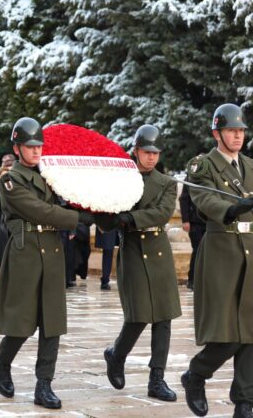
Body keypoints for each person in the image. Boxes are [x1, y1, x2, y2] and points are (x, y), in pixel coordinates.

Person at [0, 118, 96, 410]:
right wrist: (77, 219)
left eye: (39, 146)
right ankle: (2, 362)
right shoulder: (12, 179)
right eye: (30, 146)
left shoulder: (51, 174)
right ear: (17, 148)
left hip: (51, 250)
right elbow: (38, 211)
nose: (36, 151)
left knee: (53, 322)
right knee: (22, 322)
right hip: (26, 252)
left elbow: (65, 201)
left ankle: (44, 384)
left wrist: (89, 205)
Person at [99, 125, 181, 402]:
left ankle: (156, 378)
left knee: (164, 316)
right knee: (138, 314)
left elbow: (161, 213)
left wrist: (130, 217)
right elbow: (106, 214)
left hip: (158, 251)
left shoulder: (167, 183)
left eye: (155, 153)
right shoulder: (119, 178)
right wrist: (111, 214)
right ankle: (116, 354)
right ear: (136, 151)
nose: (151, 158)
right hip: (133, 251)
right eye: (146, 152)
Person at [182, 104, 253, 418]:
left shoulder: (250, 165)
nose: (237, 135)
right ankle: (196, 374)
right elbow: (205, 199)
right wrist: (235, 207)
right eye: (230, 130)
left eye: (240, 130)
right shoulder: (202, 165)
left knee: (251, 331)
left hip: (250, 251)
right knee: (228, 334)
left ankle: (245, 402)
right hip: (222, 251)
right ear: (217, 133)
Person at [179, 183, 206, 290]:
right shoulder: (192, 175)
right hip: (196, 222)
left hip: (211, 222)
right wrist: (185, 220)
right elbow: (184, 199)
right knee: (198, 250)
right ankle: (192, 280)